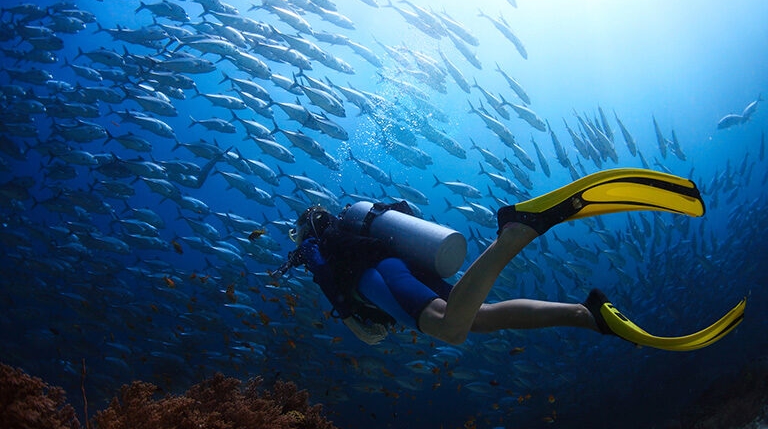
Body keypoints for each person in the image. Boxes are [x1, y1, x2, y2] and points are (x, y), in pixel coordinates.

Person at [277, 168, 745, 350]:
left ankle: (515, 232)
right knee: (480, 317)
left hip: (377, 276)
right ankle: (587, 315)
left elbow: (354, 315)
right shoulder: (351, 226)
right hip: (402, 266)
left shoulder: (315, 247)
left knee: (449, 327)